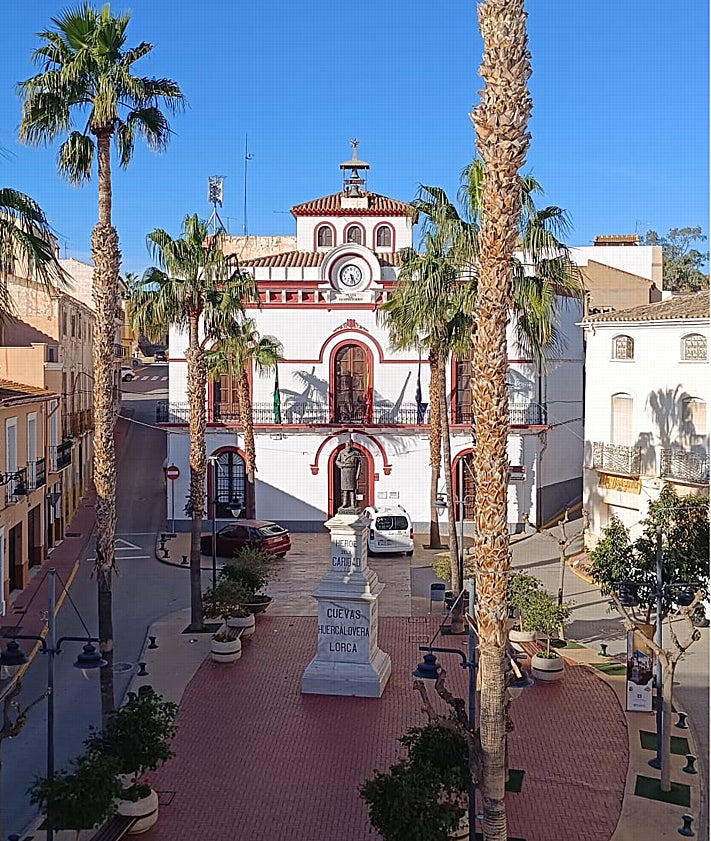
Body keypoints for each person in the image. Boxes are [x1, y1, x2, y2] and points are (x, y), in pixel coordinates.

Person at [335, 438, 361, 510]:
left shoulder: (356, 453)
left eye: (350, 443)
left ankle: (353, 504)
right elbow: (337, 461)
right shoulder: (341, 452)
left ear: (352, 444)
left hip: (352, 471)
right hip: (344, 472)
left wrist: (357, 474)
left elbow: (359, 464)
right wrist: (342, 465)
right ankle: (345, 503)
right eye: (347, 444)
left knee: (352, 489)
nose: (348, 445)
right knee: (345, 489)